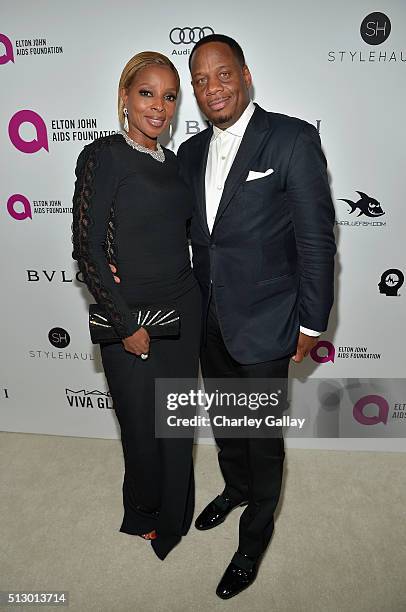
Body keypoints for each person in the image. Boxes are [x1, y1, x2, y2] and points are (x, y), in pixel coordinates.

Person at [110, 34, 336, 598]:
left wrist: (312, 322)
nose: (213, 89)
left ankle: (255, 534)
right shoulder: (187, 154)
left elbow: (316, 238)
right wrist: (113, 259)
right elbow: (161, 226)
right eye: (202, 80)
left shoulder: (291, 138)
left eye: (224, 75)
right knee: (230, 425)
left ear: (245, 75)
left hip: (267, 321)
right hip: (203, 318)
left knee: (262, 436)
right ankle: (235, 488)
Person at [71, 51, 201, 561]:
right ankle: (145, 512)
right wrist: (124, 321)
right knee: (142, 425)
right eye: (147, 93)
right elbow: (87, 245)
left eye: (169, 96)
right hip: (133, 313)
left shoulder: (172, 163)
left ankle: (175, 510)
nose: (159, 107)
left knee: (175, 421)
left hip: (182, 306)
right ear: (125, 96)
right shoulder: (103, 154)